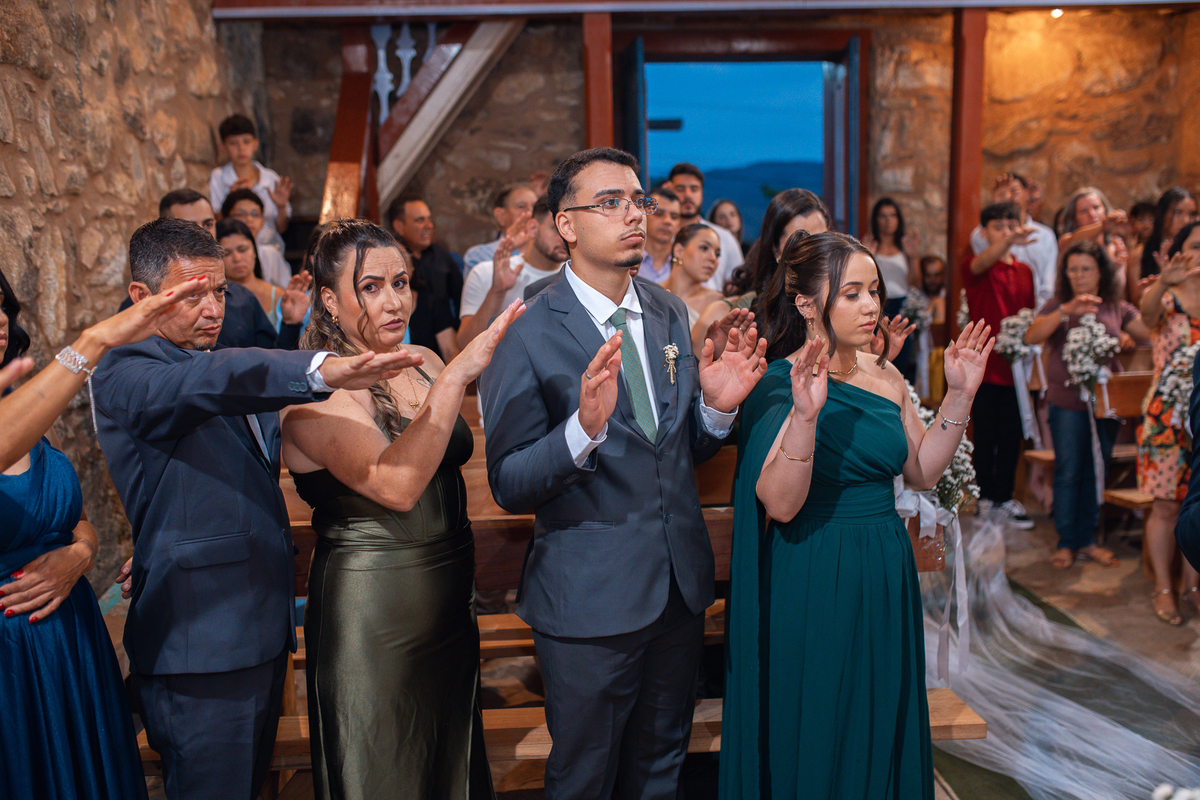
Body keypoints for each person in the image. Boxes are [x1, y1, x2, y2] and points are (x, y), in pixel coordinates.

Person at [92, 217, 416, 800]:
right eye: (192, 295)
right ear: (141, 296)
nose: (213, 308)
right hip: (201, 644)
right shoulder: (126, 370)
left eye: (220, 292)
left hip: (257, 627)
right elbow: (208, 382)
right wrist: (320, 367)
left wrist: (164, 539)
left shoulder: (207, 360)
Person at [478, 147, 767, 800]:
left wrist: (716, 411)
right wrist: (581, 430)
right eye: (610, 203)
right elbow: (510, 481)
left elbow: (673, 451)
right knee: (584, 779)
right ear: (566, 225)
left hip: (676, 587)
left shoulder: (666, 311)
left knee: (660, 771)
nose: (634, 214)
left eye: (639, 200)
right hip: (589, 601)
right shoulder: (525, 329)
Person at [720, 231, 993, 800]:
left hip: (883, 567)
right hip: (814, 567)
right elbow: (780, 504)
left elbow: (922, 470)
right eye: (851, 294)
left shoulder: (885, 375)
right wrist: (805, 416)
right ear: (806, 303)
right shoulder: (777, 384)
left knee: (879, 712)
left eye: (874, 291)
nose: (871, 306)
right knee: (823, 716)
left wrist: (960, 396)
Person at [279, 220, 521, 800]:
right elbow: (395, 485)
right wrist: (457, 376)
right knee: (385, 772)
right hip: (374, 613)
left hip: (448, 604)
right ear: (329, 300)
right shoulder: (315, 391)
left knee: (448, 771)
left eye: (401, 282)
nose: (394, 301)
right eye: (371, 287)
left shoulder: (423, 362)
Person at [1, 265, 210, 800]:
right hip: (10, 654)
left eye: (0, 305)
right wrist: (94, 341)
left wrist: (81, 551)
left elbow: (67, 519)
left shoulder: (21, 404)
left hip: (69, 636)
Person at [1024, 240, 1150, 570]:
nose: (1079, 275)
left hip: (1104, 403)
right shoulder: (1058, 303)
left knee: (1097, 467)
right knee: (1069, 469)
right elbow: (1031, 336)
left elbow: (1148, 331)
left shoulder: (1115, 306)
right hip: (1066, 402)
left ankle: (1088, 540)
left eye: (1086, 269)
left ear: (1101, 272)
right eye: (1073, 270)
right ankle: (1067, 542)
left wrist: (1138, 320)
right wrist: (1066, 311)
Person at [1135, 221, 1200, 625]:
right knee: (1166, 506)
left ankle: (1193, 585)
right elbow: (1145, 315)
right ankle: (1163, 586)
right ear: (1180, 250)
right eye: (1196, 245)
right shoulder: (1166, 295)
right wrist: (1163, 281)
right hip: (1167, 415)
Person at [147, 189, 303, 350]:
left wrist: (290, 324)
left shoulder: (244, 298)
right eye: (190, 227)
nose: (202, 233)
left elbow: (271, 358)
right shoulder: (149, 302)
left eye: (208, 224)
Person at [962, 201, 1037, 528]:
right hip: (984, 366)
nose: (1006, 232)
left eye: (1011, 225)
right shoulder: (975, 265)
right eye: (998, 227)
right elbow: (981, 263)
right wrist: (1008, 241)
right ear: (984, 232)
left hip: (1015, 368)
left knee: (1011, 436)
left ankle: (1004, 498)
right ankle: (985, 498)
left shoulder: (1025, 271)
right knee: (985, 435)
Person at [691, 188, 830, 352]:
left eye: (821, 240)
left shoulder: (842, 303)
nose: (813, 251)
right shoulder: (743, 312)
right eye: (800, 242)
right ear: (776, 249)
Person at [457, 196, 567, 350]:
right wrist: (497, 292)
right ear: (532, 228)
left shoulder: (577, 278)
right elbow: (465, 345)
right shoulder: (485, 273)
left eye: (570, 228)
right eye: (556, 228)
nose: (564, 237)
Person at [969, 173, 1059, 307]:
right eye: (1004, 192)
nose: (1009, 196)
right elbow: (979, 255)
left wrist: (1036, 315)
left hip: (1034, 310)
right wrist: (999, 207)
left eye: (1014, 190)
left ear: (1026, 194)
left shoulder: (1044, 235)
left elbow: (1048, 284)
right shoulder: (984, 233)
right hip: (994, 305)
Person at [209, 113, 292, 245]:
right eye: (233, 143)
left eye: (246, 141)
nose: (241, 148)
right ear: (223, 147)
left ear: (255, 144)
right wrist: (231, 199)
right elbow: (218, 222)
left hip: (269, 247)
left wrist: (281, 207)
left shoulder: (271, 178)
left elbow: (281, 228)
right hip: (235, 247)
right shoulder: (218, 177)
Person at [216, 218, 311, 329]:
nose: (237, 258)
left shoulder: (277, 295)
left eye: (242, 250)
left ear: (254, 251)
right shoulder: (216, 299)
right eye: (226, 253)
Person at [864, 197, 920, 378]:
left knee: (900, 361)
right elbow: (862, 280)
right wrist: (866, 257)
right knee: (876, 358)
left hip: (901, 307)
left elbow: (916, 283)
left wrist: (913, 257)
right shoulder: (870, 246)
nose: (888, 220)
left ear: (898, 219)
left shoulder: (905, 247)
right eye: (883, 216)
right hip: (877, 306)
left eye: (892, 215)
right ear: (876, 219)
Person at [668, 162, 743, 291]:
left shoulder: (724, 237)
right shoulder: (663, 237)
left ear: (702, 192)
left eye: (694, 189)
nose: (688, 195)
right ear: (670, 191)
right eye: (680, 189)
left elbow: (738, 283)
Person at [388, 193, 464, 320]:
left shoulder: (442, 255)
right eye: (420, 220)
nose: (429, 226)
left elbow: (460, 301)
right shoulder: (389, 260)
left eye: (429, 219)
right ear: (399, 226)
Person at [1058, 186, 1130, 298]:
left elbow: (1122, 293)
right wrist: (1103, 226)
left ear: (1105, 210)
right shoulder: (1066, 241)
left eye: (1096, 207)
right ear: (1074, 220)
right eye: (1083, 211)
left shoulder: (1115, 245)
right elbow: (1075, 240)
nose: (1092, 214)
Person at [1129, 188, 1197, 302]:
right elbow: (1135, 301)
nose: (1186, 220)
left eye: (1191, 214)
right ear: (1161, 214)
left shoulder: (1194, 252)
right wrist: (1161, 282)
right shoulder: (1139, 253)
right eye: (1178, 212)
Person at [220, 187, 293, 288]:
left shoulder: (270, 254)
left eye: (255, 214)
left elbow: (287, 289)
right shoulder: (218, 252)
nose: (249, 219)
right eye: (240, 214)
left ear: (263, 221)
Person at [463, 183, 539, 274]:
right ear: (501, 216)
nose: (530, 213)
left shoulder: (546, 253)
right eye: (521, 207)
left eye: (535, 208)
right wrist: (509, 247)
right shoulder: (480, 255)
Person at [664, 223, 723, 329]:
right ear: (679, 251)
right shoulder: (650, 292)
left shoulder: (717, 303)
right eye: (704, 248)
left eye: (717, 254)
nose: (713, 258)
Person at [639, 186, 683, 284]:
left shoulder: (685, 263)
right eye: (659, 214)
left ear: (679, 224)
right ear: (643, 215)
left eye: (674, 217)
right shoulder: (627, 258)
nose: (667, 221)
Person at [920, 254, 946, 324]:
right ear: (922, 276)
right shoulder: (914, 300)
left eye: (937, 275)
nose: (932, 280)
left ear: (943, 275)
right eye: (928, 275)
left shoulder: (950, 298)